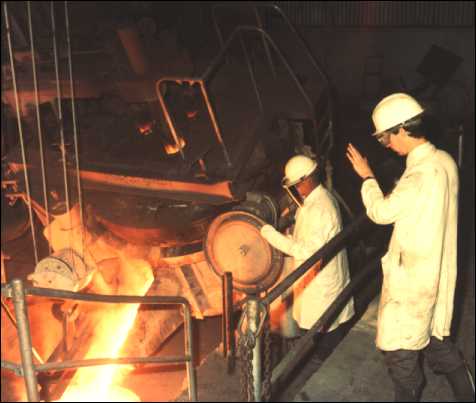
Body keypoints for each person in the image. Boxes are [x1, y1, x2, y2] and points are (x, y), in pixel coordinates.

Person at [346, 92, 474, 402]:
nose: (387, 145)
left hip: (414, 283)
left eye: (386, 138)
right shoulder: (444, 160)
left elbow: (381, 212)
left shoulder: (417, 175)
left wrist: (366, 177)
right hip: (437, 273)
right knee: (439, 343)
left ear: (403, 129)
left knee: (401, 358)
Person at [260, 154, 355, 367]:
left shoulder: (321, 208)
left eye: (296, 185)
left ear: (306, 180)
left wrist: (272, 236)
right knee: (321, 326)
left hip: (322, 284)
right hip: (319, 280)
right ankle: (321, 363)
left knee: (325, 331)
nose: (295, 189)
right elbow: (305, 239)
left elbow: (308, 251)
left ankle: (326, 371)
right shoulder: (315, 201)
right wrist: (287, 237)